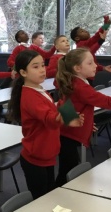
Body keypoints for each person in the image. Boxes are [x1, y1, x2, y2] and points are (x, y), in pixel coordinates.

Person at [55, 48, 111, 186]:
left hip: (68, 132)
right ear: (77, 68)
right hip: (69, 135)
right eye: (90, 63)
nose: (95, 65)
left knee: (68, 170)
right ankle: (57, 194)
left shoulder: (74, 81)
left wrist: (87, 123)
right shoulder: (81, 87)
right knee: (67, 174)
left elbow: (65, 102)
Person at [6, 50, 83, 199]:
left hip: (46, 155)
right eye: (35, 67)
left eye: (43, 65)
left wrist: (70, 117)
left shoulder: (39, 89)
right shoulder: (30, 96)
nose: (42, 70)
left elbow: (53, 110)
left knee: (48, 195)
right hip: (35, 158)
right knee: (41, 200)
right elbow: (49, 118)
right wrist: (66, 114)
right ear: (23, 72)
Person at [70, 16, 111, 81]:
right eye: (82, 31)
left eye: (84, 30)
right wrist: (101, 40)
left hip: (88, 77)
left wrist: (103, 68)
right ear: (77, 38)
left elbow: (97, 36)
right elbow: (92, 49)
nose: (86, 31)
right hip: (85, 77)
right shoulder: (81, 44)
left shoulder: (86, 43)